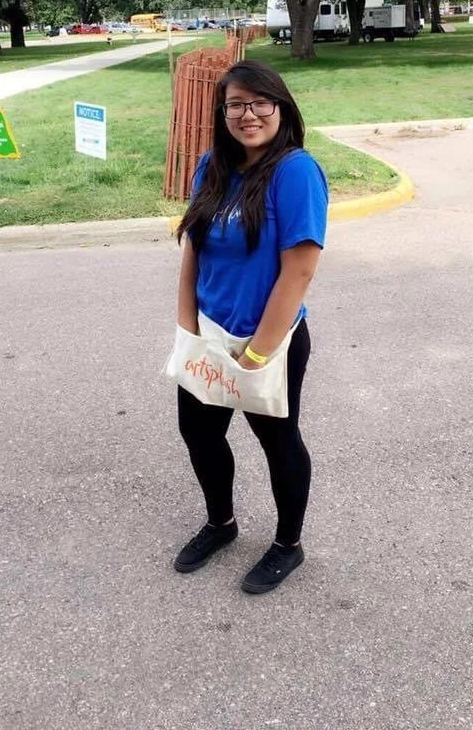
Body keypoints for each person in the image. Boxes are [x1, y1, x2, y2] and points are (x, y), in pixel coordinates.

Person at [174, 59, 328, 594]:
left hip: (272, 341)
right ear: (223, 113)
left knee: (278, 440)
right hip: (209, 334)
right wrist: (186, 324)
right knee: (198, 431)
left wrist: (259, 353)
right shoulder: (210, 166)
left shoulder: (295, 171)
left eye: (261, 102)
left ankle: (288, 544)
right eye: (236, 104)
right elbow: (193, 247)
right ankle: (221, 524)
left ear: (281, 108)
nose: (249, 114)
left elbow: (300, 269)